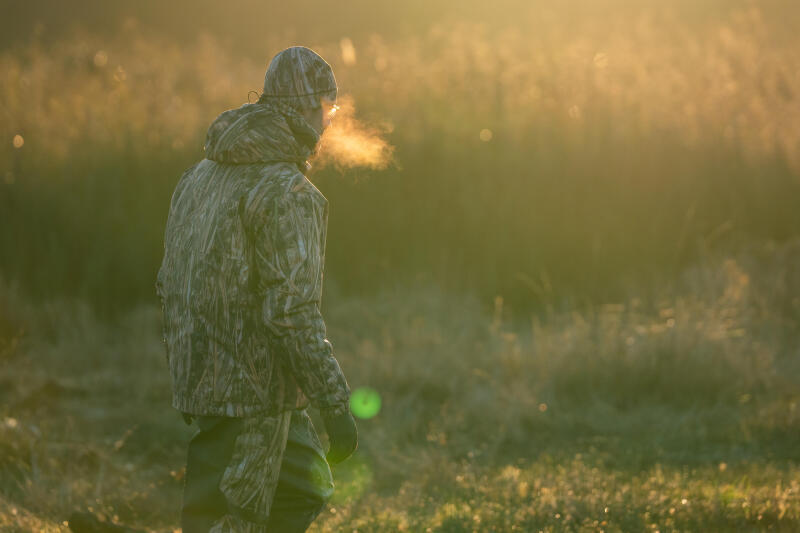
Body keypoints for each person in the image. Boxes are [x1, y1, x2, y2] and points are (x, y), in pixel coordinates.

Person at [156, 46, 357, 533]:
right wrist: (334, 404)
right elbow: (292, 313)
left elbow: (169, 282)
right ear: (309, 109)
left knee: (233, 505)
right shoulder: (288, 192)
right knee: (280, 499)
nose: (329, 124)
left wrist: (193, 372)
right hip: (255, 392)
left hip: (199, 380)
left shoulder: (199, 176)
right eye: (327, 110)